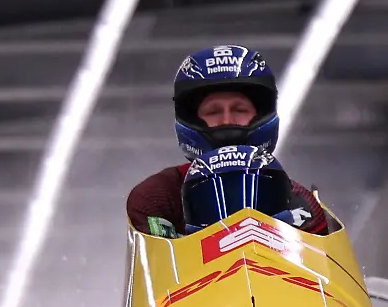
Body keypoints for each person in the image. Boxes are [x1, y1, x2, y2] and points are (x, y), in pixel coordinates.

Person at [126, 45, 329, 238]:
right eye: (213, 111)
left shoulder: (301, 202)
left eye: (239, 110)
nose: (227, 121)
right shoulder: (156, 198)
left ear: (260, 116)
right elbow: (156, 264)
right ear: (192, 120)